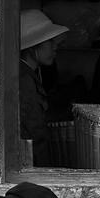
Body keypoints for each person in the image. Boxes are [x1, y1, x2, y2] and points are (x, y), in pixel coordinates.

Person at [19, 10, 69, 167]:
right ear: (33, 46)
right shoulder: (24, 79)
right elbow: (35, 131)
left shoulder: (28, 73)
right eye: (50, 42)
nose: (55, 48)